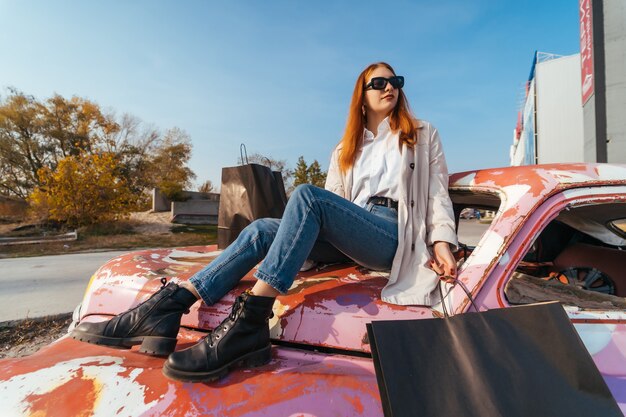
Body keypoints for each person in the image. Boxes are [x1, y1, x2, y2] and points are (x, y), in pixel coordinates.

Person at [70, 61, 458, 383]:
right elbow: (334, 206)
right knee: (259, 230)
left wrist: (442, 242)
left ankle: (251, 320)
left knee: (306, 195)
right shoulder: (344, 149)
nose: (389, 86)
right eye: (379, 82)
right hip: (351, 230)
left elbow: (436, 193)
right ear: (362, 95)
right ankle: (170, 306)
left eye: (395, 81)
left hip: (392, 232)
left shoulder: (421, 134)